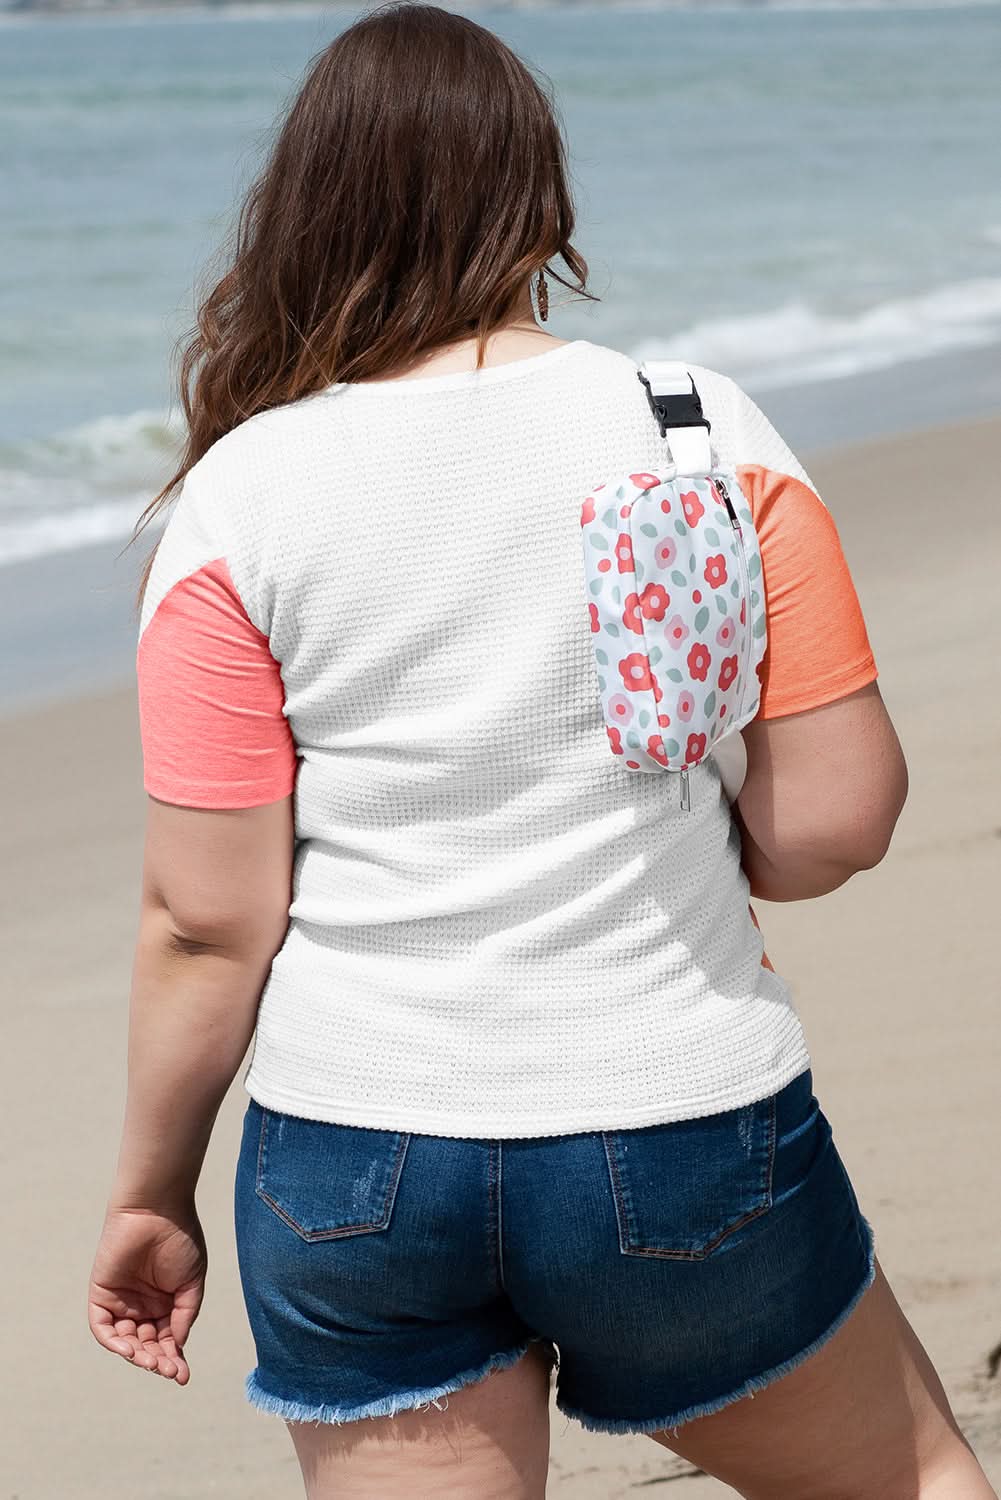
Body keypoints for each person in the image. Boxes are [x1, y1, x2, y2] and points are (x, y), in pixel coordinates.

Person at [87, 6, 997, 1498]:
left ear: (302, 216)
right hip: (674, 1113)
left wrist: (148, 1191)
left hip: (357, 1153)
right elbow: (836, 822)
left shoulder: (238, 498)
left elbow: (208, 917)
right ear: (542, 211)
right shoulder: (697, 432)